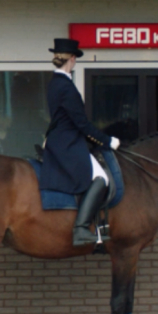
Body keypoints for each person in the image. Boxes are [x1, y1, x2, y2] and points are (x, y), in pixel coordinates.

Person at [43, 38, 119, 246]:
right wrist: (107, 141)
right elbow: (81, 123)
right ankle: (81, 228)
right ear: (73, 58)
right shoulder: (65, 86)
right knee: (101, 178)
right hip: (67, 143)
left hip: (60, 139)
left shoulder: (55, 83)